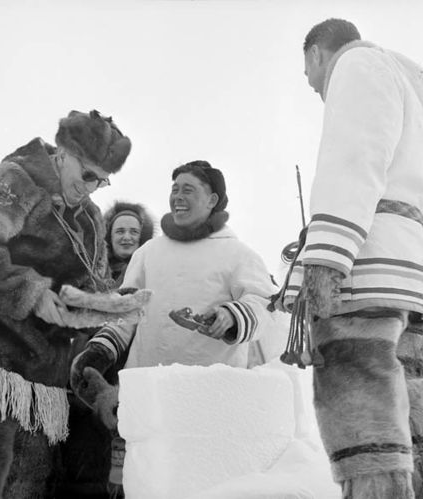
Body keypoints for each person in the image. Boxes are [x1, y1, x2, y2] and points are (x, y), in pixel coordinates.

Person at [276, 19, 423, 498]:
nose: (312, 85)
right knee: (406, 420)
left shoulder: (356, 63)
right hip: (407, 274)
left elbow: (355, 159)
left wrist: (326, 260)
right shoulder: (398, 84)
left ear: (315, 54)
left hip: (365, 269)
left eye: (308, 73)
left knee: (363, 419)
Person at [0, 109, 131, 498]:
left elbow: (87, 294)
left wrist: (110, 306)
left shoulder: (91, 221)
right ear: (63, 152)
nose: (92, 187)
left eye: (102, 180)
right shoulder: (14, 179)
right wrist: (31, 293)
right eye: (87, 174)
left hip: (44, 392)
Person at [70, 160, 278, 496]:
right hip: (147, 396)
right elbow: (127, 312)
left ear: (212, 200)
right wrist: (101, 349)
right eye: (174, 189)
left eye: (188, 189)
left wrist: (231, 315)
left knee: (200, 487)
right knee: (143, 485)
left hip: (208, 401)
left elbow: (263, 305)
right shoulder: (148, 253)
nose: (177, 196)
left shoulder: (239, 254)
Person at [58, 200, 156, 499]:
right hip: (86, 374)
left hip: (131, 377)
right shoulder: (90, 275)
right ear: (108, 235)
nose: (127, 237)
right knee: (80, 458)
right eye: (120, 230)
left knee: (125, 467)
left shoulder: (151, 274)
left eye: (134, 231)